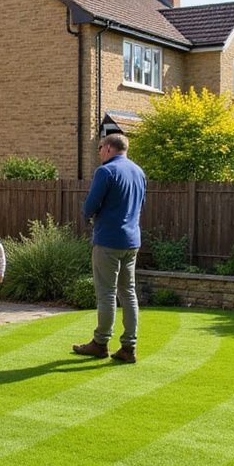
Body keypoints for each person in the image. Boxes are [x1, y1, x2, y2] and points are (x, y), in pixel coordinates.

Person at [73, 132, 146, 363]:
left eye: (100, 148)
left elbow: (91, 204)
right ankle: (129, 347)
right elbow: (140, 204)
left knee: (106, 293)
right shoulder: (139, 172)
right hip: (132, 241)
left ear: (108, 148)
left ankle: (100, 343)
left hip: (108, 241)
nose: (99, 152)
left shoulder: (105, 171)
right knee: (129, 293)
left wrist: (87, 216)